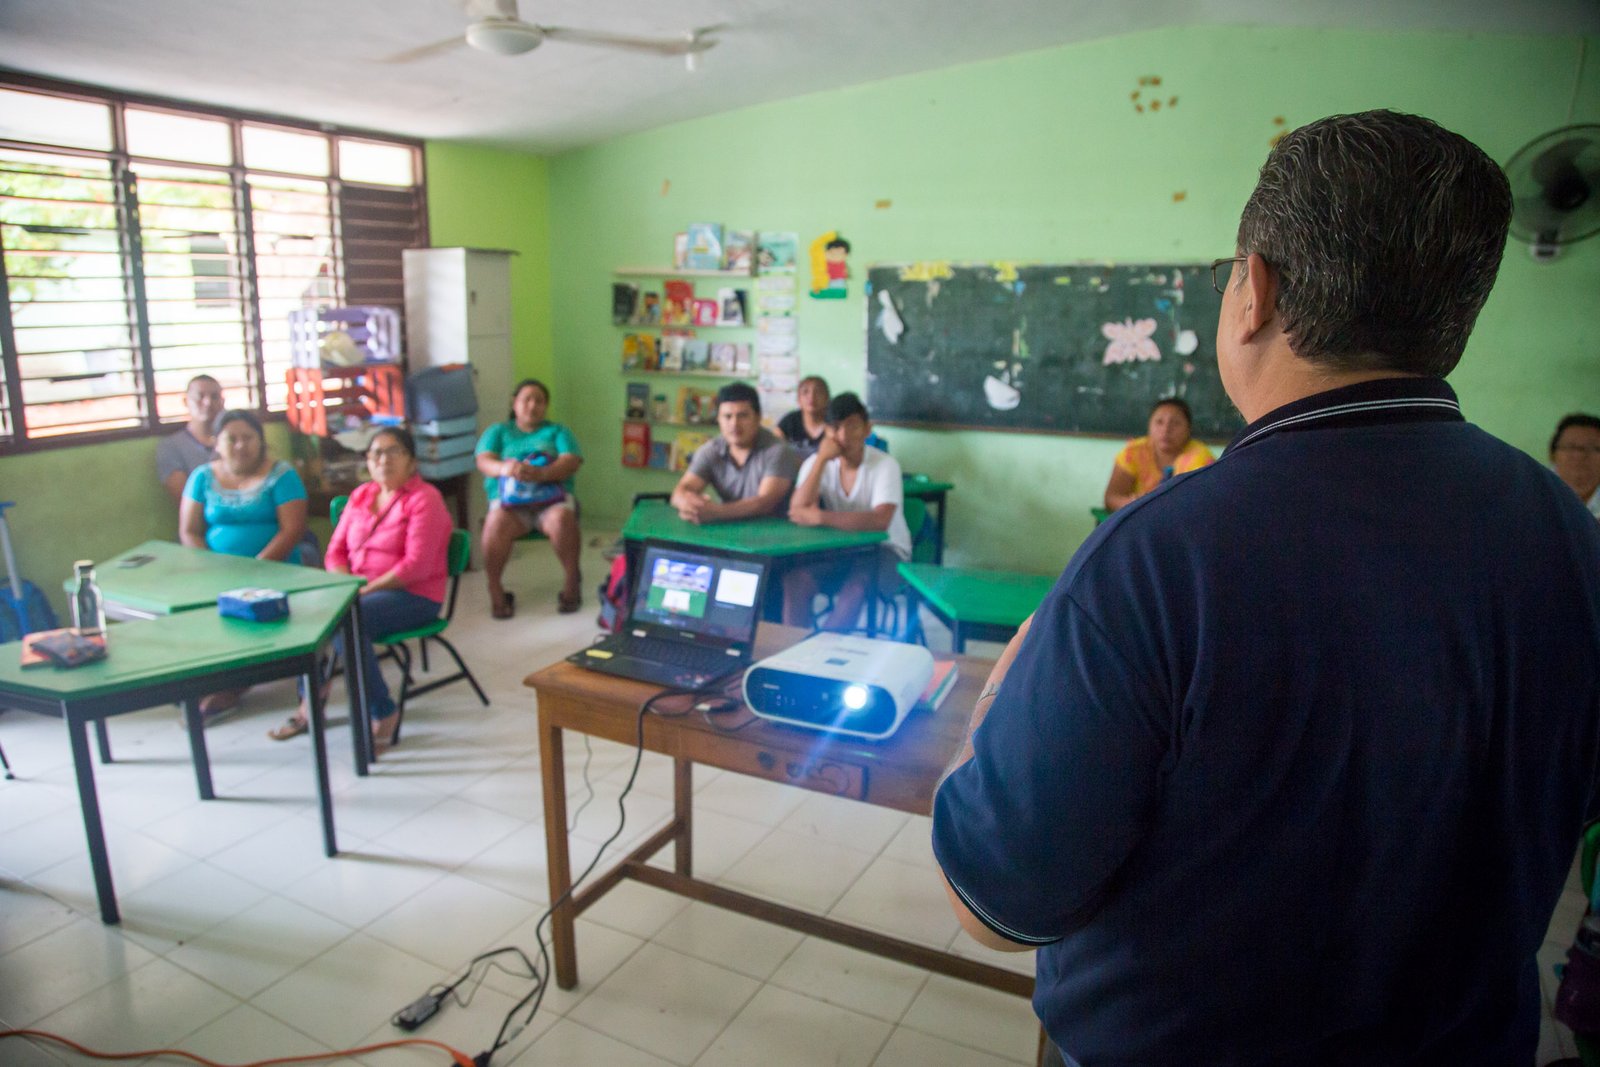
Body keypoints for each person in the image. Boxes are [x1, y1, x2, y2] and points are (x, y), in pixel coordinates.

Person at [932, 111, 1600, 1067]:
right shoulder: (1568, 536)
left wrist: (999, 695)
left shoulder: (1162, 555)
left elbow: (997, 904)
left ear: (1257, 291)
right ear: (1455, 318)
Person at [267, 428, 451, 750]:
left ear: (412, 461)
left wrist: (362, 590)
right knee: (307, 613)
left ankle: (382, 711)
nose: (383, 460)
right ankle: (310, 700)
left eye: (394, 452)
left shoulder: (425, 499)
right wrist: (347, 585)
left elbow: (416, 566)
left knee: (344, 620)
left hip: (414, 595)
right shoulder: (361, 496)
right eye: (376, 453)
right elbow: (335, 551)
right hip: (358, 593)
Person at [179, 409, 309, 717]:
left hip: (274, 570)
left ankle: (234, 685)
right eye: (232, 439)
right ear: (216, 443)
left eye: (248, 438)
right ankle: (209, 680)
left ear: (260, 441)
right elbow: (189, 531)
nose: (241, 445)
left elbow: (292, 530)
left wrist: (256, 568)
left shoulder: (282, 475)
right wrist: (209, 564)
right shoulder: (202, 477)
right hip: (215, 572)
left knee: (250, 608)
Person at [782, 392, 910, 631]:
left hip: (888, 551)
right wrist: (821, 459)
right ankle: (794, 648)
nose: (842, 435)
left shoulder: (885, 465)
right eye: (835, 427)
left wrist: (820, 517)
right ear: (826, 431)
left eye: (852, 426)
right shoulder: (817, 463)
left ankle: (823, 649)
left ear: (867, 429)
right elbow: (797, 511)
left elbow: (880, 521)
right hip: (843, 549)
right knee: (795, 581)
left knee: (857, 586)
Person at [475, 379, 584, 619]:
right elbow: (483, 461)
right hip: (510, 506)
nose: (533, 405)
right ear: (514, 403)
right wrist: (506, 469)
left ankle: (572, 582)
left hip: (551, 501)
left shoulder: (558, 432)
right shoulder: (498, 432)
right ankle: (495, 589)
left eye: (539, 401)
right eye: (527, 399)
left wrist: (542, 474)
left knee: (562, 519)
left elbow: (571, 461)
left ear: (546, 406)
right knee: (494, 523)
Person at [670, 382, 799, 524]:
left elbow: (765, 503)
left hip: (774, 531)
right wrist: (689, 504)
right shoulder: (710, 450)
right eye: (727, 416)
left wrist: (715, 512)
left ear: (758, 418)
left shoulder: (778, 451)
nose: (734, 424)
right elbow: (681, 491)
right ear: (718, 419)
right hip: (728, 529)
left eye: (743, 416)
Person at [1101, 396, 1214, 512]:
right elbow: (1111, 497)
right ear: (1149, 426)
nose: (1166, 429)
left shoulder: (1201, 458)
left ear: (1188, 429)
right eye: (1159, 422)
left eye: (1176, 423)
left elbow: (1201, 505)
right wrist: (1135, 504)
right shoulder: (1134, 452)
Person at [156, 374, 224, 503]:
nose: (208, 402)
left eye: (215, 397)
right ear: (185, 401)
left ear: (222, 402)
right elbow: (185, 498)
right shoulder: (171, 447)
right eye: (200, 396)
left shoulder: (237, 441)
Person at [1550, 413, 1600, 519]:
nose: (1579, 455)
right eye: (1570, 446)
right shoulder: (1531, 491)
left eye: (1592, 448)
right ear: (1553, 455)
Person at [778, 376, 830, 458]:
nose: (812, 396)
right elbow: (774, 450)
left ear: (827, 398)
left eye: (818, 392)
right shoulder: (789, 421)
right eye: (805, 392)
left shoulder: (834, 422)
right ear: (798, 399)